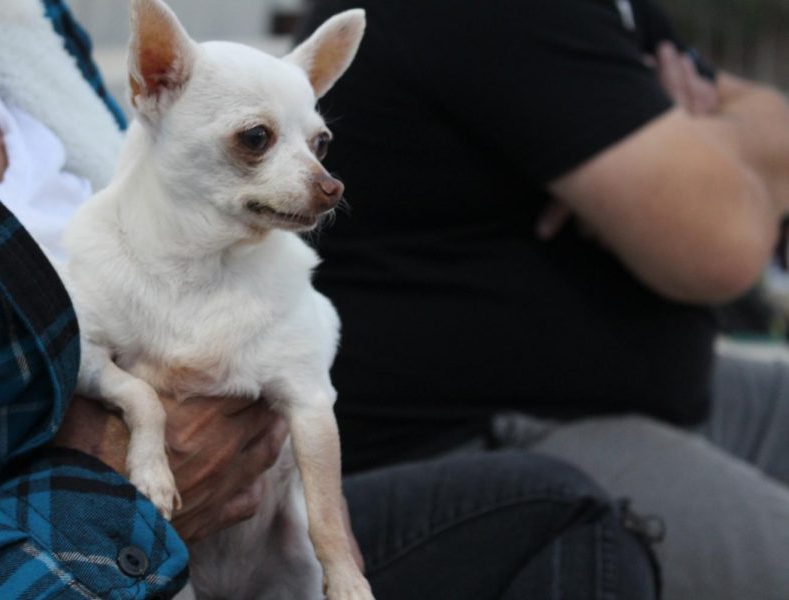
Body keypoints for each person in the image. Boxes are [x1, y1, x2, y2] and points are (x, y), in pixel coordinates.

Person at [0, 0, 659, 598]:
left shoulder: (3, 18)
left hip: (255, 520)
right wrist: (102, 501)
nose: (322, 179)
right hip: (50, 553)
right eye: (256, 140)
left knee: (569, 514)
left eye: (316, 145)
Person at [296, 0, 789, 598]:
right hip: (478, 443)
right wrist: (698, 161)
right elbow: (724, 246)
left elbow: (777, 124)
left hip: (647, 390)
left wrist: (702, 148)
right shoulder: (499, 14)